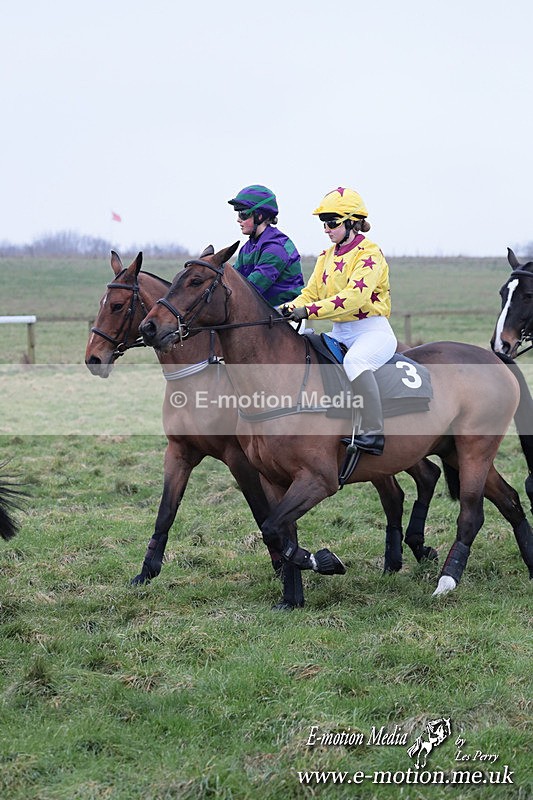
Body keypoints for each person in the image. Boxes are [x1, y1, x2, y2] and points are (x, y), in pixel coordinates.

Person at [284, 186, 397, 455]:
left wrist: (308, 311)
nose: (326, 228)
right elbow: (309, 294)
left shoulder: (369, 254)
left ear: (351, 223)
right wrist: (286, 309)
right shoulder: (326, 256)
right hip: (340, 332)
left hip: (372, 332)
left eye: (332, 222)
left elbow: (355, 297)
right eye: (324, 223)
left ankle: (373, 432)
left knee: (355, 361)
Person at [228, 185, 304, 306]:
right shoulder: (247, 247)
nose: (238, 220)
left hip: (286, 315)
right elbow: (232, 280)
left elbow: (250, 289)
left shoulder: (276, 248)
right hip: (263, 313)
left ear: (260, 216)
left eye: (243, 214)